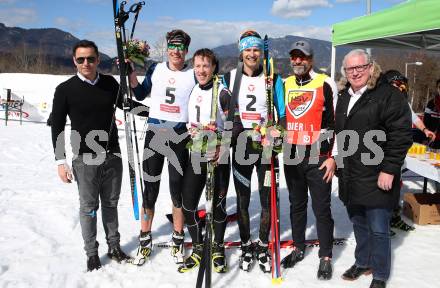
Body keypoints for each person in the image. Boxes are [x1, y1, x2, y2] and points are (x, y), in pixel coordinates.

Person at [51, 40, 146, 271]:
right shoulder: (65, 89)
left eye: (91, 58)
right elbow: (57, 125)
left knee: (111, 205)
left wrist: (157, 115)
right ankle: (91, 254)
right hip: (84, 159)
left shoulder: (109, 83)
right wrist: (60, 160)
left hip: (112, 155)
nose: (86, 63)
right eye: (81, 59)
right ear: (74, 60)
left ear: (97, 60)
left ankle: (114, 247)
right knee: (88, 207)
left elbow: (127, 105)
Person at [335, 49, 412, 288]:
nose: (355, 72)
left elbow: (401, 135)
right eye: (350, 69)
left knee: (379, 228)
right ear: (345, 72)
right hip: (351, 173)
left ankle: (379, 274)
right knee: (358, 223)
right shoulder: (344, 96)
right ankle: (363, 261)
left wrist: (389, 169)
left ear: (371, 67)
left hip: (378, 174)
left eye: (360, 67)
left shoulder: (388, 95)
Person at [128, 29, 196, 266]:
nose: (176, 51)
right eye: (172, 47)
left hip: (179, 136)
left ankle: (178, 238)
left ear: (187, 51)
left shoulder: (193, 73)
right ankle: (145, 240)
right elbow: (139, 92)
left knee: (177, 191)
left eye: (181, 47)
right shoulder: (155, 69)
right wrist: (130, 73)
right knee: (150, 191)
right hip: (155, 134)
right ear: (167, 48)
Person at [222, 30, 285, 273]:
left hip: (265, 147)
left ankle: (261, 244)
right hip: (241, 146)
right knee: (243, 199)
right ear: (241, 52)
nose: (252, 53)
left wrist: (277, 134)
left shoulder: (273, 79)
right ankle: (246, 244)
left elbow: (283, 115)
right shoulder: (229, 78)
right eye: (247, 49)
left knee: (267, 200)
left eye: (256, 49)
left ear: (261, 52)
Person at [280, 40, 337, 280]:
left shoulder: (325, 82)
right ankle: (299, 247)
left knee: (321, 207)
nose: (297, 61)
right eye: (294, 57)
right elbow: (281, 118)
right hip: (292, 155)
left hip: (318, 156)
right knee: (296, 205)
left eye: (302, 57)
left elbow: (336, 124)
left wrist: (333, 157)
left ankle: (325, 256)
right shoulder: (285, 83)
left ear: (311, 59)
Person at [177, 48, 231, 274]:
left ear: (213, 67)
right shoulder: (192, 90)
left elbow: (232, 125)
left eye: (205, 66)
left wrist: (222, 147)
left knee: (217, 206)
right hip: (197, 154)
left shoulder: (222, 92)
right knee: (188, 204)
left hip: (218, 157)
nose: (201, 70)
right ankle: (199, 246)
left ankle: (218, 247)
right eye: (197, 66)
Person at [384, 69, 431, 233]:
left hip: (399, 151)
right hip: (384, 151)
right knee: (384, 189)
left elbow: (414, 117)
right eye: (397, 84)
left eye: (402, 85)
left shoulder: (403, 101)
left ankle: (395, 218)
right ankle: (382, 223)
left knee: (396, 187)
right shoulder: (380, 101)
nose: (401, 87)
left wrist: (425, 129)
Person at [424, 79, 440, 149]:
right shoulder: (431, 103)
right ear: (437, 88)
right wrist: (427, 137)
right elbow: (426, 121)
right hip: (432, 140)